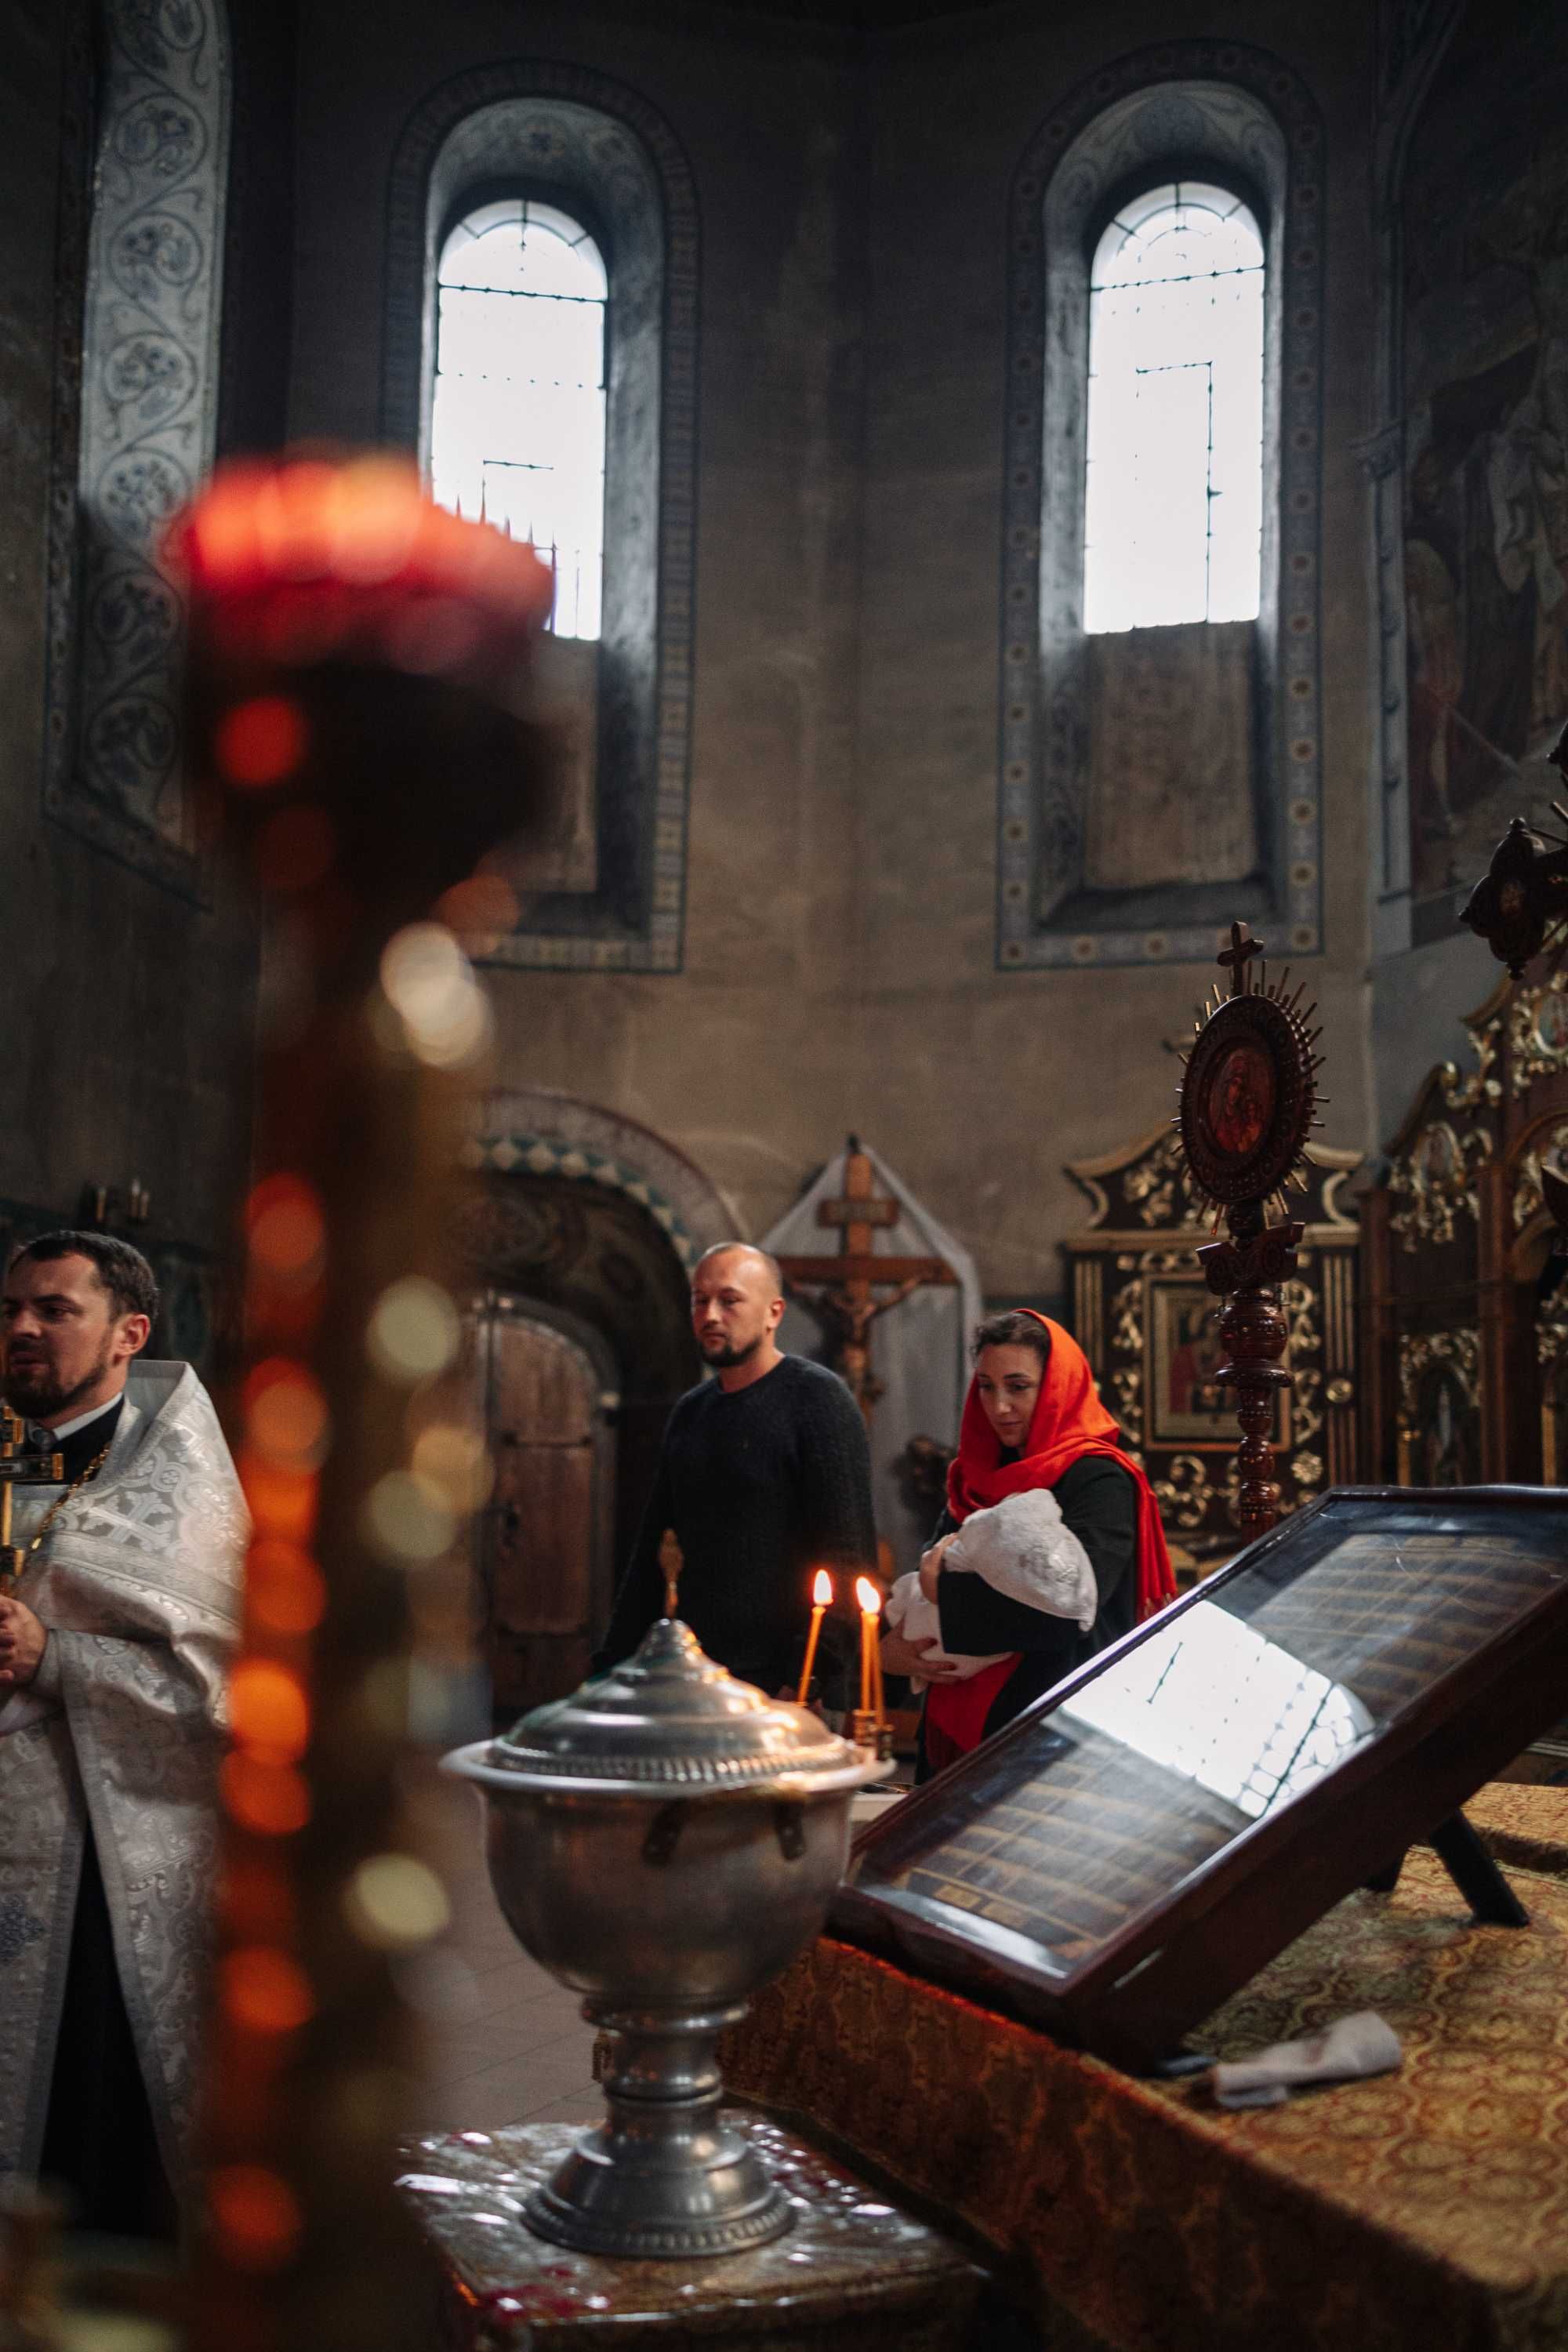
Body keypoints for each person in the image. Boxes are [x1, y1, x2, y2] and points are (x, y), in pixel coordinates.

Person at [0, 1232, 245, 2237]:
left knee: (82, 2116)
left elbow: (222, 1688)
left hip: (95, 1866)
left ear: (126, 1335)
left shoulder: (181, 1493)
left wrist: (55, 1657)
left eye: (55, 1310)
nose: (21, 1327)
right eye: (12, 1307)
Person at [880, 1309, 1174, 1779]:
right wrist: (890, 1653)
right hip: (952, 1732)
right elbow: (922, 1575)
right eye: (986, 1386)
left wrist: (943, 1591)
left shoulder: (1098, 1478)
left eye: (1018, 1387)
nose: (999, 1407)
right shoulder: (975, 1479)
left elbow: (1070, 1609)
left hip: (1053, 1729)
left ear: (1058, 1387)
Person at [593, 1243, 874, 1703]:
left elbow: (846, 1556)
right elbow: (651, 1548)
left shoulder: (816, 1399)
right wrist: (609, 1668)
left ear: (773, 1313)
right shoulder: (691, 1411)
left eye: (729, 1300)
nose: (710, 1315)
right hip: (697, 1676)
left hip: (789, 1682)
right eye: (699, 1300)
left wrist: (804, 1678)